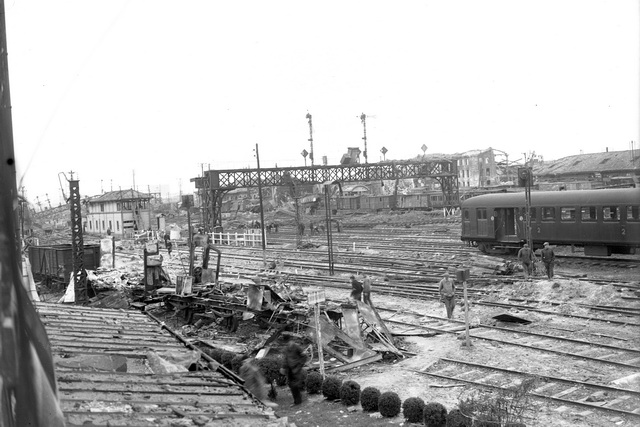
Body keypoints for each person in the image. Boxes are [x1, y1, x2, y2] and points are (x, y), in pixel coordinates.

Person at [280, 339, 307, 406]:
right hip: (289, 369)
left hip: (296, 369)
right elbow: (285, 358)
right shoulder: (286, 348)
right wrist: (283, 367)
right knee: (290, 384)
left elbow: (304, 356)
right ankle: (297, 399)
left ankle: (298, 401)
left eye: (290, 342)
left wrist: (299, 365)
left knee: (295, 385)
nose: (289, 343)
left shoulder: (297, 347)